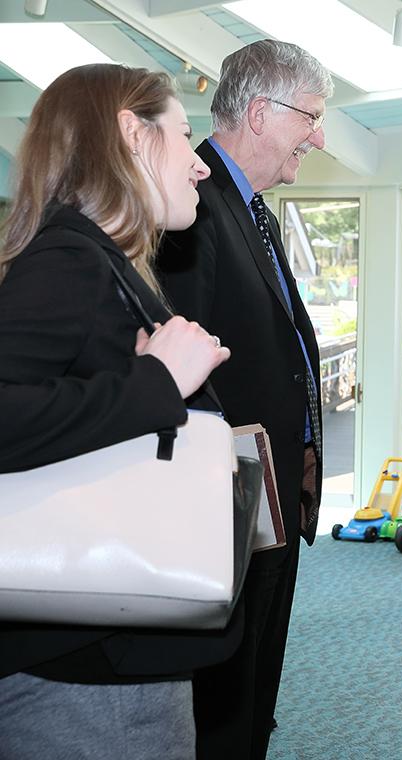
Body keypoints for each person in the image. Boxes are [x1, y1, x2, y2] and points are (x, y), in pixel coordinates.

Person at [0, 64, 230, 758]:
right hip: (86, 675)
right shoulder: (71, 259)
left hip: (98, 656)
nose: (200, 167)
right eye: (185, 137)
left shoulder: (98, 264)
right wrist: (158, 380)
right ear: (132, 133)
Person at [156, 40, 331, 759]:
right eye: (311, 118)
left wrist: (306, 451)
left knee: (254, 683)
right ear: (260, 113)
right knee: (223, 698)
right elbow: (188, 370)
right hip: (225, 501)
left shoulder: (248, 206)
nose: (319, 138)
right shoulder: (193, 206)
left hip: (270, 494)